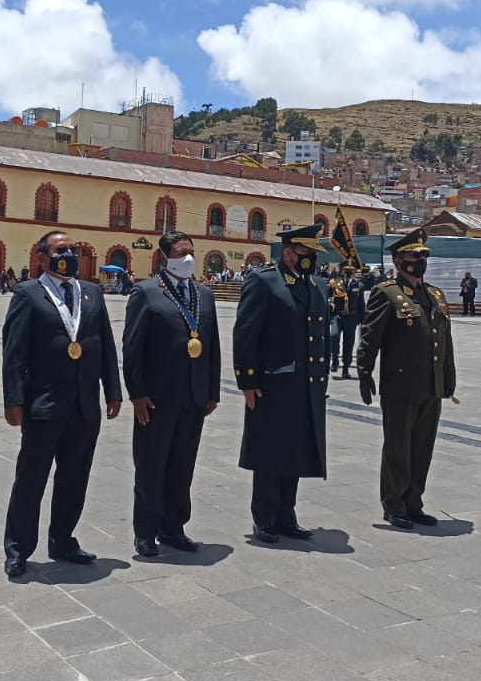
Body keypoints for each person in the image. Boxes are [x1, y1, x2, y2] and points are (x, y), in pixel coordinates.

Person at [2, 230, 122, 577]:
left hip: (85, 404)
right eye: (60, 249)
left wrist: (112, 390)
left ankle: (63, 539)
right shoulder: (28, 293)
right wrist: (14, 399)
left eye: (72, 249)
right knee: (31, 478)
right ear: (42, 256)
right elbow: (14, 352)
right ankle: (18, 548)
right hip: (44, 403)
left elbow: (105, 345)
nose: (67, 253)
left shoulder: (92, 293)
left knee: (75, 476)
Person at [122, 230, 220, 557]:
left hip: (193, 397)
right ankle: (146, 531)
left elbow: (213, 346)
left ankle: (174, 526)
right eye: (181, 253)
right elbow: (132, 348)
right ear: (165, 257)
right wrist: (136, 393)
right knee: (151, 466)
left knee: (182, 465)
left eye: (191, 251)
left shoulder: (203, 295)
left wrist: (212, 390)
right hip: (157, 399)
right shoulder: (146, 293)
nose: (188, 258)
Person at [232, 224, 330, 543]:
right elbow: (246, 333)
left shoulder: (316, 285)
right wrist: (247, 380)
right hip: (272, 383)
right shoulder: (264, 281)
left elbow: (321, 336)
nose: (312, 260)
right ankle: (265, 518)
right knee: (270, 452)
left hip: (305, 384)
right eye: (307, 253)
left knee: (296, 452)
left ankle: (287, 515)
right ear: (289, 253)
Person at [355, 228, 456, 530]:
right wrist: (364, 371)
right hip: (400, 384)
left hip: (431, 385)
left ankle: (414, 502)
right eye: (415, 255)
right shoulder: (386, 292)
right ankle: (394, 505)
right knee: (398, 447)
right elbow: (370, 337)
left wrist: (448, 379)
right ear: (399, 261)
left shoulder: (435, 294)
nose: (421, 260)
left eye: (424, 255)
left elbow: (445, 341)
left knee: (422, 447)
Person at [334, 263, 365, 380]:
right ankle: (335, 359)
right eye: (346, 271)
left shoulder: (359, 285)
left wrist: (363, 320)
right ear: (343, 272)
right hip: (338, 316)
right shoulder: (336, 284)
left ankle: (346, 368)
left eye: (350, 272)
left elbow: (361, 304)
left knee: (348, 343)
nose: (348, 274)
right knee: (334, 336)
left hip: (352, 318)